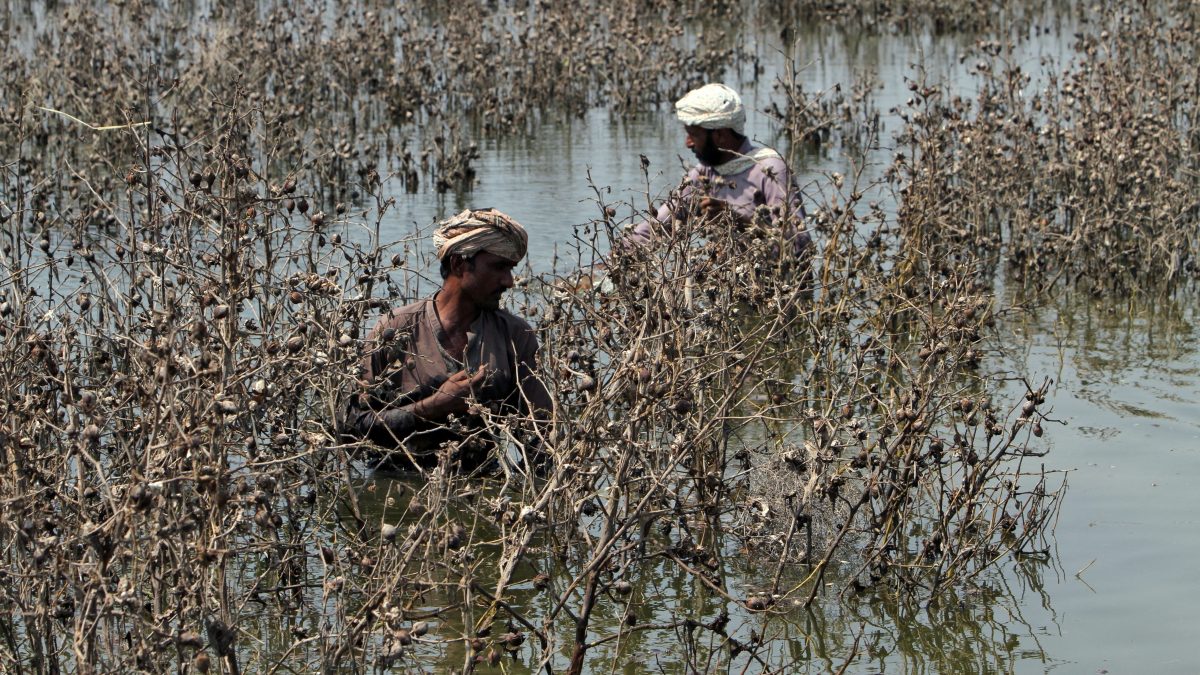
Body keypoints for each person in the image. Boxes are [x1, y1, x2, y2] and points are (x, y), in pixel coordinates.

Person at [343, 208, 552, 471]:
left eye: (511, 269)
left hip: (480, 490)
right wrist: (434, 406)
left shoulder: (515, 337)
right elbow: (352, 429)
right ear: (458, 264)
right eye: (499, 267)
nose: (509, 281)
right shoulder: (395, 329)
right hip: (396, 488)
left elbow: (541, 438)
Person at [625, 83, 810, 255]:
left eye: (693, 135)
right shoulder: (702, 175)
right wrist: (609, 265)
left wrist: (739, 221)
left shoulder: (770, 169)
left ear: (720, 135)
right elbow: (652, 230)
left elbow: (798, 244)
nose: (687, 143)